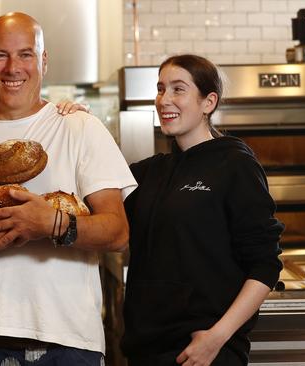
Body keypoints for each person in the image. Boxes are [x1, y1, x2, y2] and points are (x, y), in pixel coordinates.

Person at [0, 12, 137, 365]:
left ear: (44, 61)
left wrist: (49, 224)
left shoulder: (80, 129)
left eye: (26, 54)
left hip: (72, 341)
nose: (12, 67)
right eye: (0, 54)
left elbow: (118, 232)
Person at [120, 54, 284, 366]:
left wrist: (216, 338)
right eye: (160, 89)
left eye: (178, 89)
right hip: (145, 349)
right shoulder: (147, 173)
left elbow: (265, 266)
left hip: (207, 352)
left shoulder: (235, 165)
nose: (164, 100)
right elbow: (95, 206)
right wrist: (79, 122)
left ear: (208, 102)